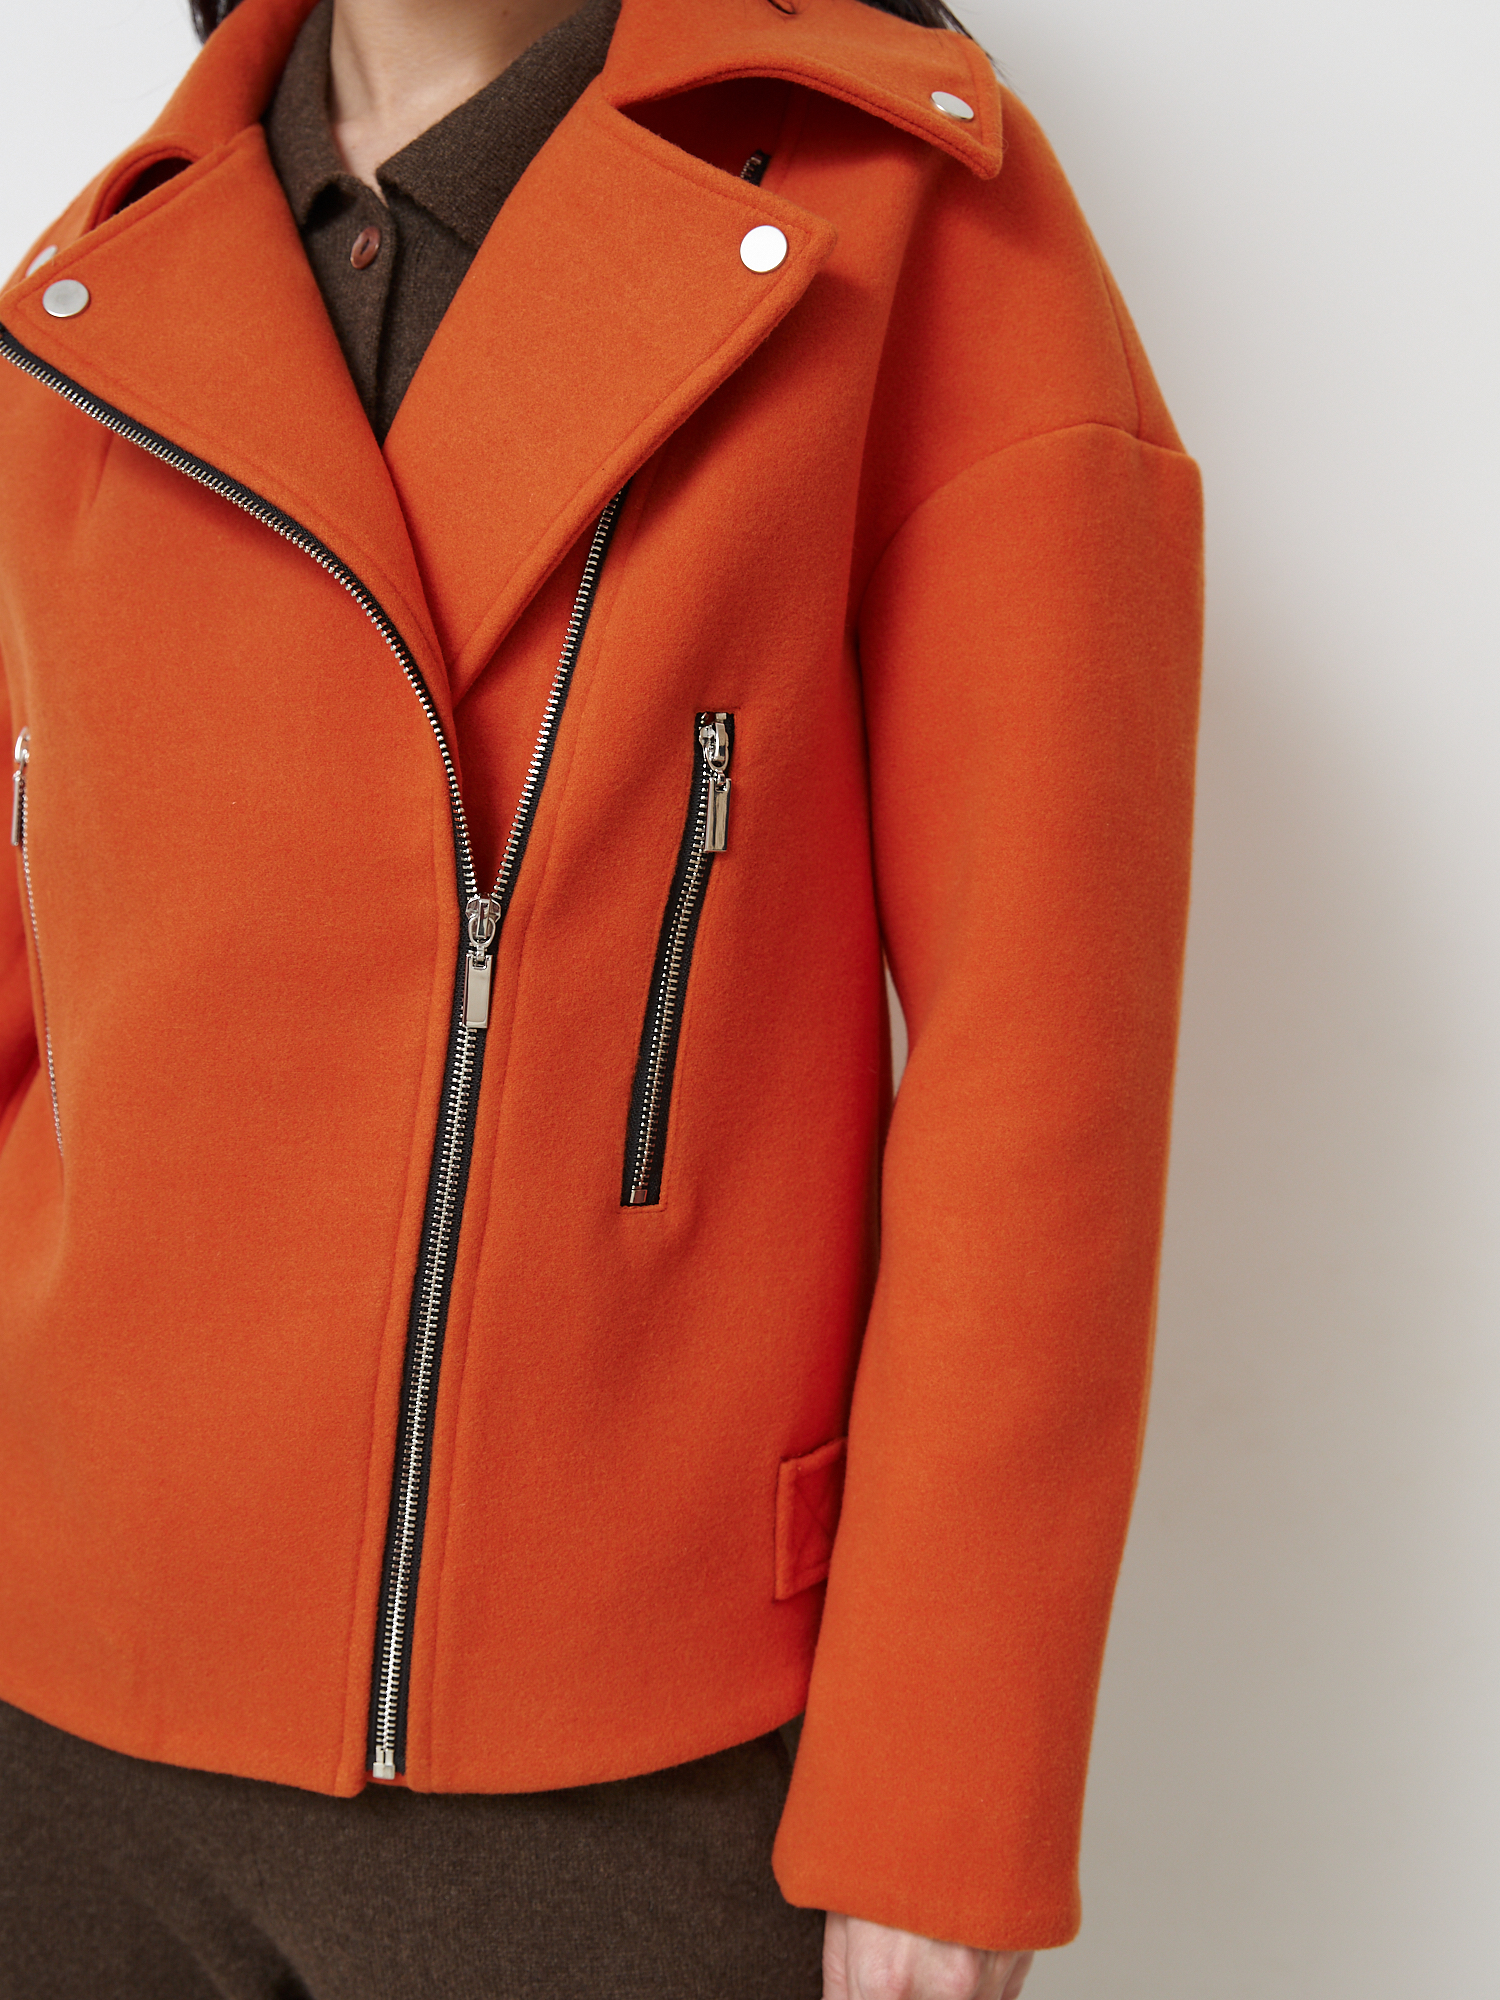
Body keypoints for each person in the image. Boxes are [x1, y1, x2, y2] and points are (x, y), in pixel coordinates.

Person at [0, 0, 1202, 1984]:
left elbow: (1043, 1070)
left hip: (619, 1789)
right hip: (54, 1700)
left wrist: (944, 1788)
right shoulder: (108, 261)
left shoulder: (912, 219)